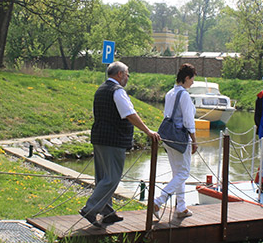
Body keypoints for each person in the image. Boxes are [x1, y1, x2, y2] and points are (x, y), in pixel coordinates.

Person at [80, 61, 160, 228]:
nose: (128, 77)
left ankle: (107, 212)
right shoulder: (118, 91)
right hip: (113, 140)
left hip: (99, 137)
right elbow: (129, 114)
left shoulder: (101, 89)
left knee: (103, 177)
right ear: (119, 74)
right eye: (127, 74)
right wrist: (148, 131)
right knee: (112, 178)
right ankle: (91, 209)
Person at [153, 63, 197, 219]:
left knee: (177, 173)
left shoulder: (170, 93)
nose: (193, 82)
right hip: (180, 138)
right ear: (186, 78)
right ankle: (159, 200)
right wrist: (194, 140)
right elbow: (188, 120)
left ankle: (181, 206)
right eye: (192, 79)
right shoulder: (184, 95)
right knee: (183, 173)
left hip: (168, 137)